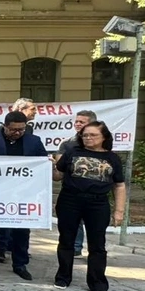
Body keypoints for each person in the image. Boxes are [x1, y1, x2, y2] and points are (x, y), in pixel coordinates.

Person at [52, 121, 126, 291]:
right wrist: (51, 165)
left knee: (97, 244)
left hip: (98, 203)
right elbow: (58, 176)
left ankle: (97, 282)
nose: (88, 138)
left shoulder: (112, 158)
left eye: (93, 135)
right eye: (85, 135)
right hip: (70, 200)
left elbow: (119, 186)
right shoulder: (72, 152)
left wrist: (119, 211)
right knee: (66, 240)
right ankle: (63, 277)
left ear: (104, 137)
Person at [0, 110, 47, 281]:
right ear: (5, 126)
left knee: (22, 229)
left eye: (21, 130)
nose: (18, 133)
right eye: (14, 129)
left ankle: (20, 264)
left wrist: (48, 163)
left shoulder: (34, 141)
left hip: (23, 193)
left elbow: (42, 161)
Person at [59, 109, 98, 258]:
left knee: (94, 225)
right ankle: (75, 248)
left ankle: (95, 252)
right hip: (71, 191)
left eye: (82, 122)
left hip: (95, 193)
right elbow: (59, 170)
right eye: (76, 121)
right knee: (73, 222)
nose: (77, 124)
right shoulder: (67, 145)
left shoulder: (103, 144)